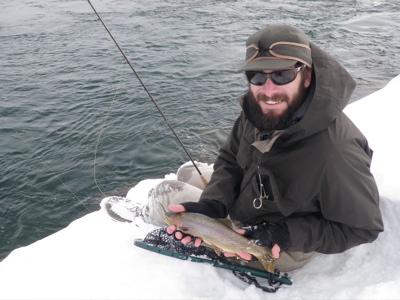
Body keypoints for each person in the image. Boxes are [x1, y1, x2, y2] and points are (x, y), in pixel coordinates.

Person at [103, 24, 384, 272]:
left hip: (278, 241)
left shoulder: (335, 153)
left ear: (307, 75)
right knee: (188, 171)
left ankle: (149, 216)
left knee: (166, 194)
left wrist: (285, 233)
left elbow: (362, 227)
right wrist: (214, 202)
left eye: (282, 75)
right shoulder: (260, 110)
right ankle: (205, 218)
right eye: (257, 77)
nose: (268, 90)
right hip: (251, 199)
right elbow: (230, 159)